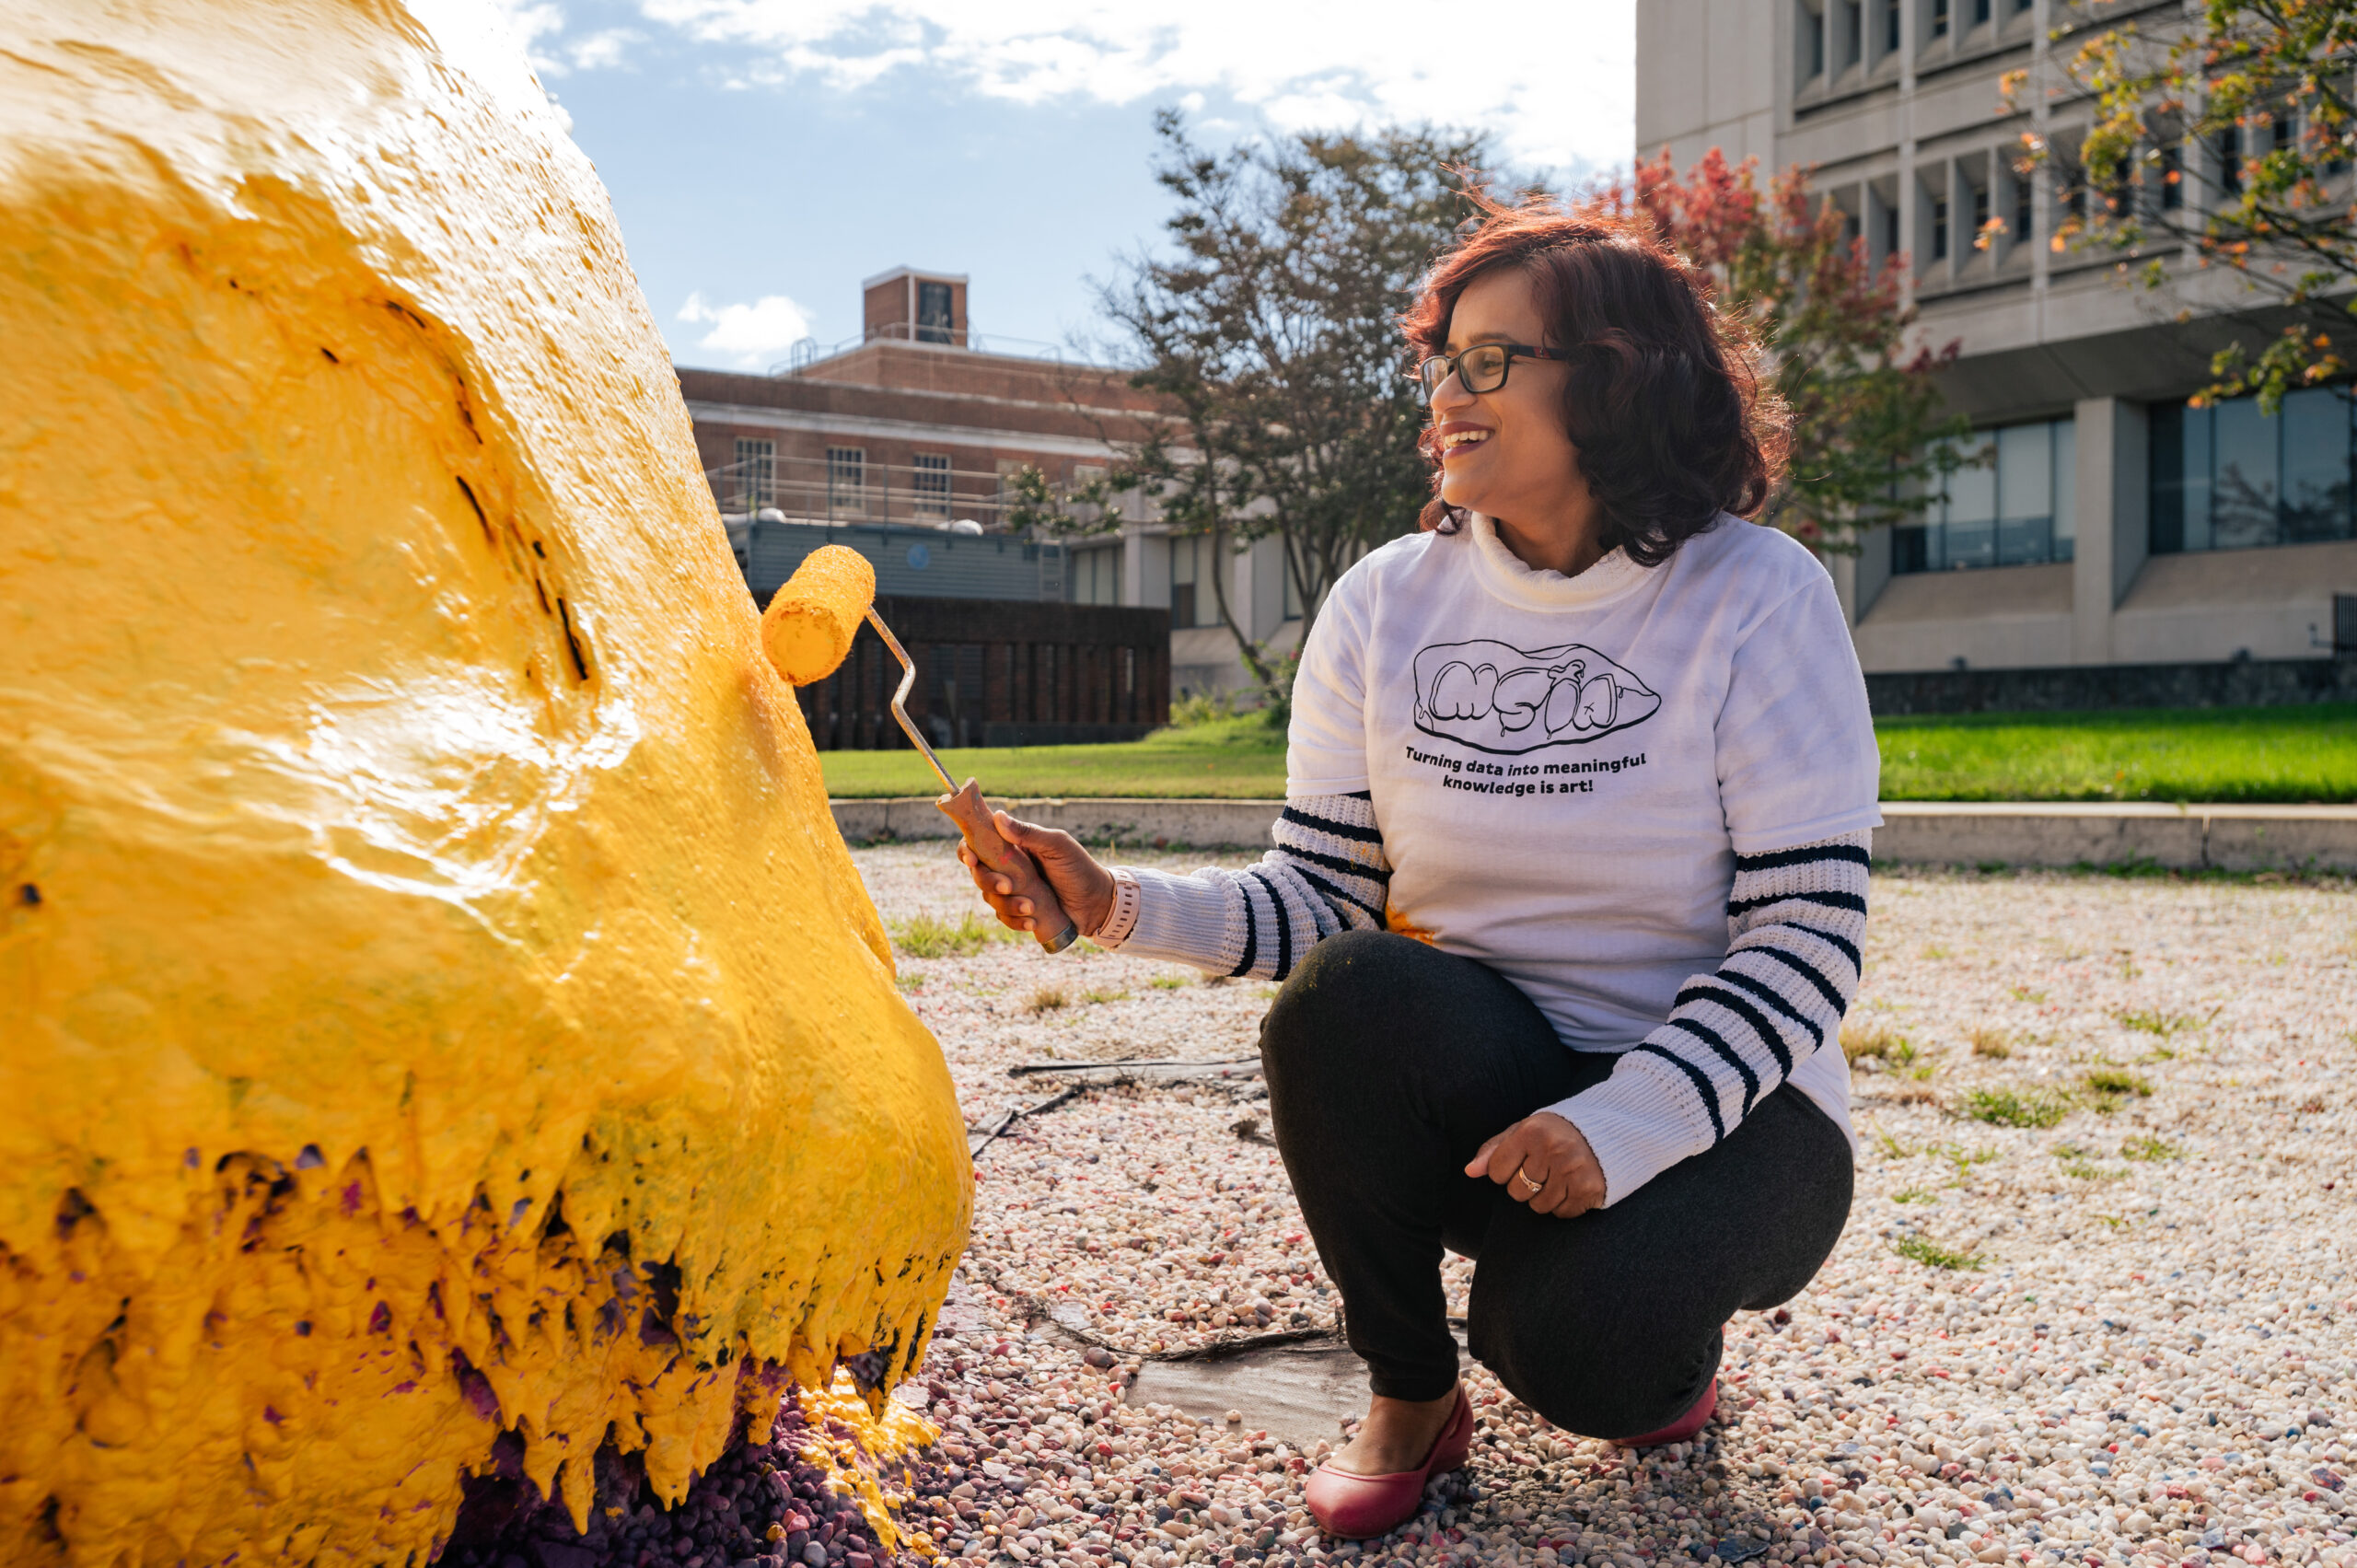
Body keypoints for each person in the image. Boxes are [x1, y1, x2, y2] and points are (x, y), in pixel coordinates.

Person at [958, 198, 1878, 1540]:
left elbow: (1805, 939)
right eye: (1443, 357)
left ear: (1619, 378)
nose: (1448, 391)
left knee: (1577, 1358)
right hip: (1488, 1078)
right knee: (1345, 990)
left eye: (1492, 360)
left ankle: (1643, 1348)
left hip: (1736, 1117)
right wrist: (1116, 906)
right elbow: (1322, 900)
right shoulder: (1385, 602)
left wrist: (1618, 1130)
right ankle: (1409, 1389)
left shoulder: (1759, 596)